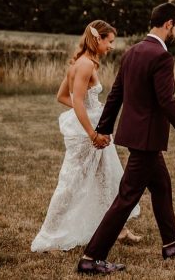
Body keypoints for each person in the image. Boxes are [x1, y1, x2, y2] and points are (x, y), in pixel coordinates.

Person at [77, 2, 175, 275]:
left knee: (162, 186)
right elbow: (167, 101)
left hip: (138, 137)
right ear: (169, 23)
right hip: (147, 139)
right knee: (126, 197)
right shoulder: (161, 56)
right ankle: (91, 257)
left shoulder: (133, 52)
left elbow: (115, 95)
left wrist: (104, 128)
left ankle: (171, 242)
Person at [32, 20, 141, 253]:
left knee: (106, 179)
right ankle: (49, 237)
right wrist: (91, 131)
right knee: (71, 182)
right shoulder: (84, 66)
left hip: (94, 127)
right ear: (97, 39)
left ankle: (117, 230)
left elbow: (63, 96)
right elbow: (77, 101)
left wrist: (93, 111)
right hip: (87, 134)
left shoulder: (82, 62)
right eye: (109, 41)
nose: (112, 46)